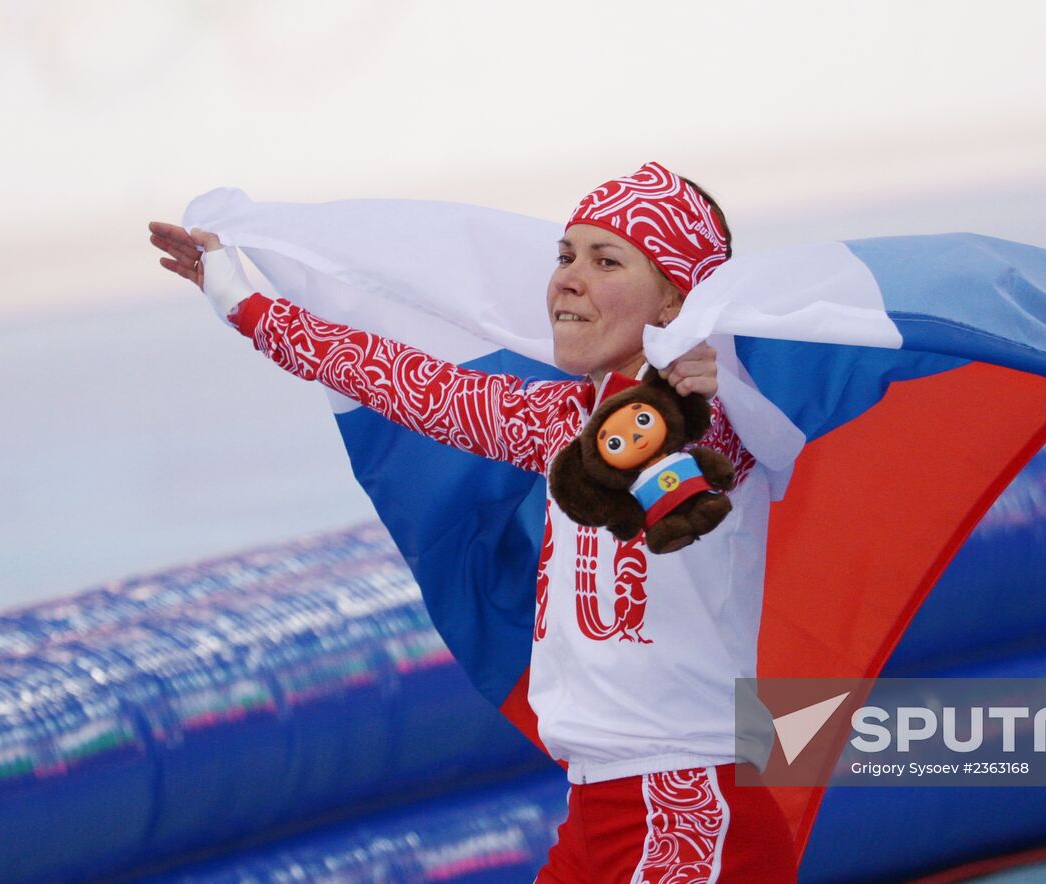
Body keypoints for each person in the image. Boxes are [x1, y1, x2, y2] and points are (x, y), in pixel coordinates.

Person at [149, 162, 798, 882]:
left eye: (605, 260)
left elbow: (739, 442)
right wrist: (243, 304)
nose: (568, 278)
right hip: (598, 809)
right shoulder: (558, 427)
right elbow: (400, 379)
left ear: (676, 301)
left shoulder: (709, 420)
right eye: (565, 256)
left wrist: (722, 384)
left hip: (686, 810)